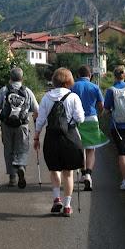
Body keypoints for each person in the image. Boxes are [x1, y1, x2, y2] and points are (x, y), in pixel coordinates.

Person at [33, 67, 85, 217]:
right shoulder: (73, 97)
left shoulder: (46, 97)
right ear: (69, 81)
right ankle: (67, 206)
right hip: (69, 136)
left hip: (51, 137)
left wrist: (36, 137)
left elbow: (40, 120)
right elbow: (80, 118)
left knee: (54, 169)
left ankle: (57, 199)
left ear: (54, 80)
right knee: (68, 173)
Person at [0, 67, 39, 188]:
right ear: (22, 78)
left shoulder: (4, 90)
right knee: (22, 148)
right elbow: (36, 109)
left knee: (9, 149)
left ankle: (12, 178)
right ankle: (21, 166)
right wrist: (35, 119)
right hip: (22, 124)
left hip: (6, 124)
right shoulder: (27, 91)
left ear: (10, 78)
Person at [71, 65, 108, 192]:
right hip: (92, 119)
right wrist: (100, 114)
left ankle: (82, 174)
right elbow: (101, 105)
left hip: (76, 121)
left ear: (77, 75)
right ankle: (88, 174)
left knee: (80, 148)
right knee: (91, 150)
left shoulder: (73, 86)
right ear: (90, 75)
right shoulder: (95, 87)